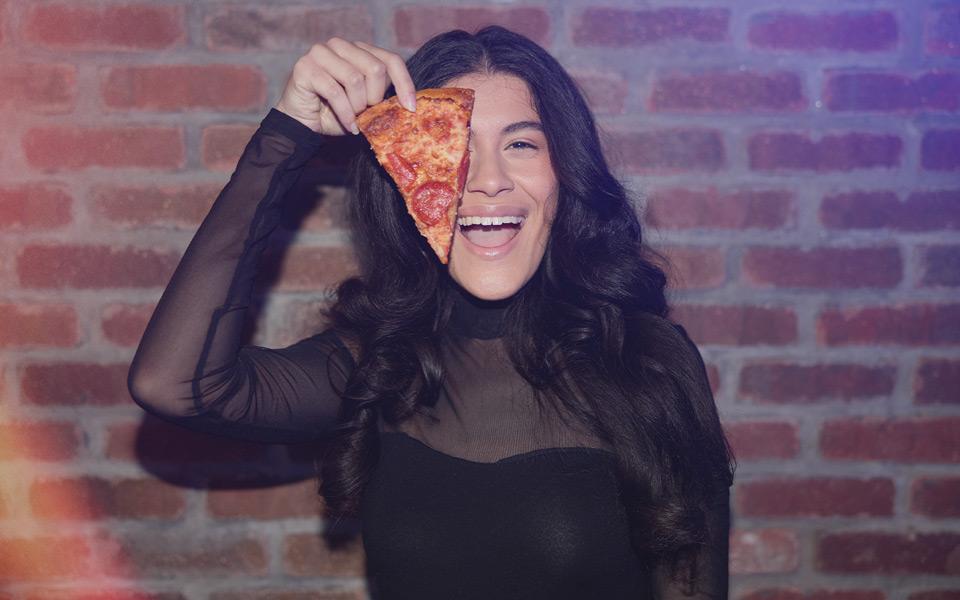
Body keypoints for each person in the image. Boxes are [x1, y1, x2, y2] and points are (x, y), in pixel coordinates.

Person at [128, 25, 736, 600]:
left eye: (521, 143)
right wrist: (288, 133)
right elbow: (176, 385)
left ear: (566, 176)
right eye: (454, 147)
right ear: (405, 174)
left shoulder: (648, 361)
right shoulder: (379, 363)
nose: (488, 180)